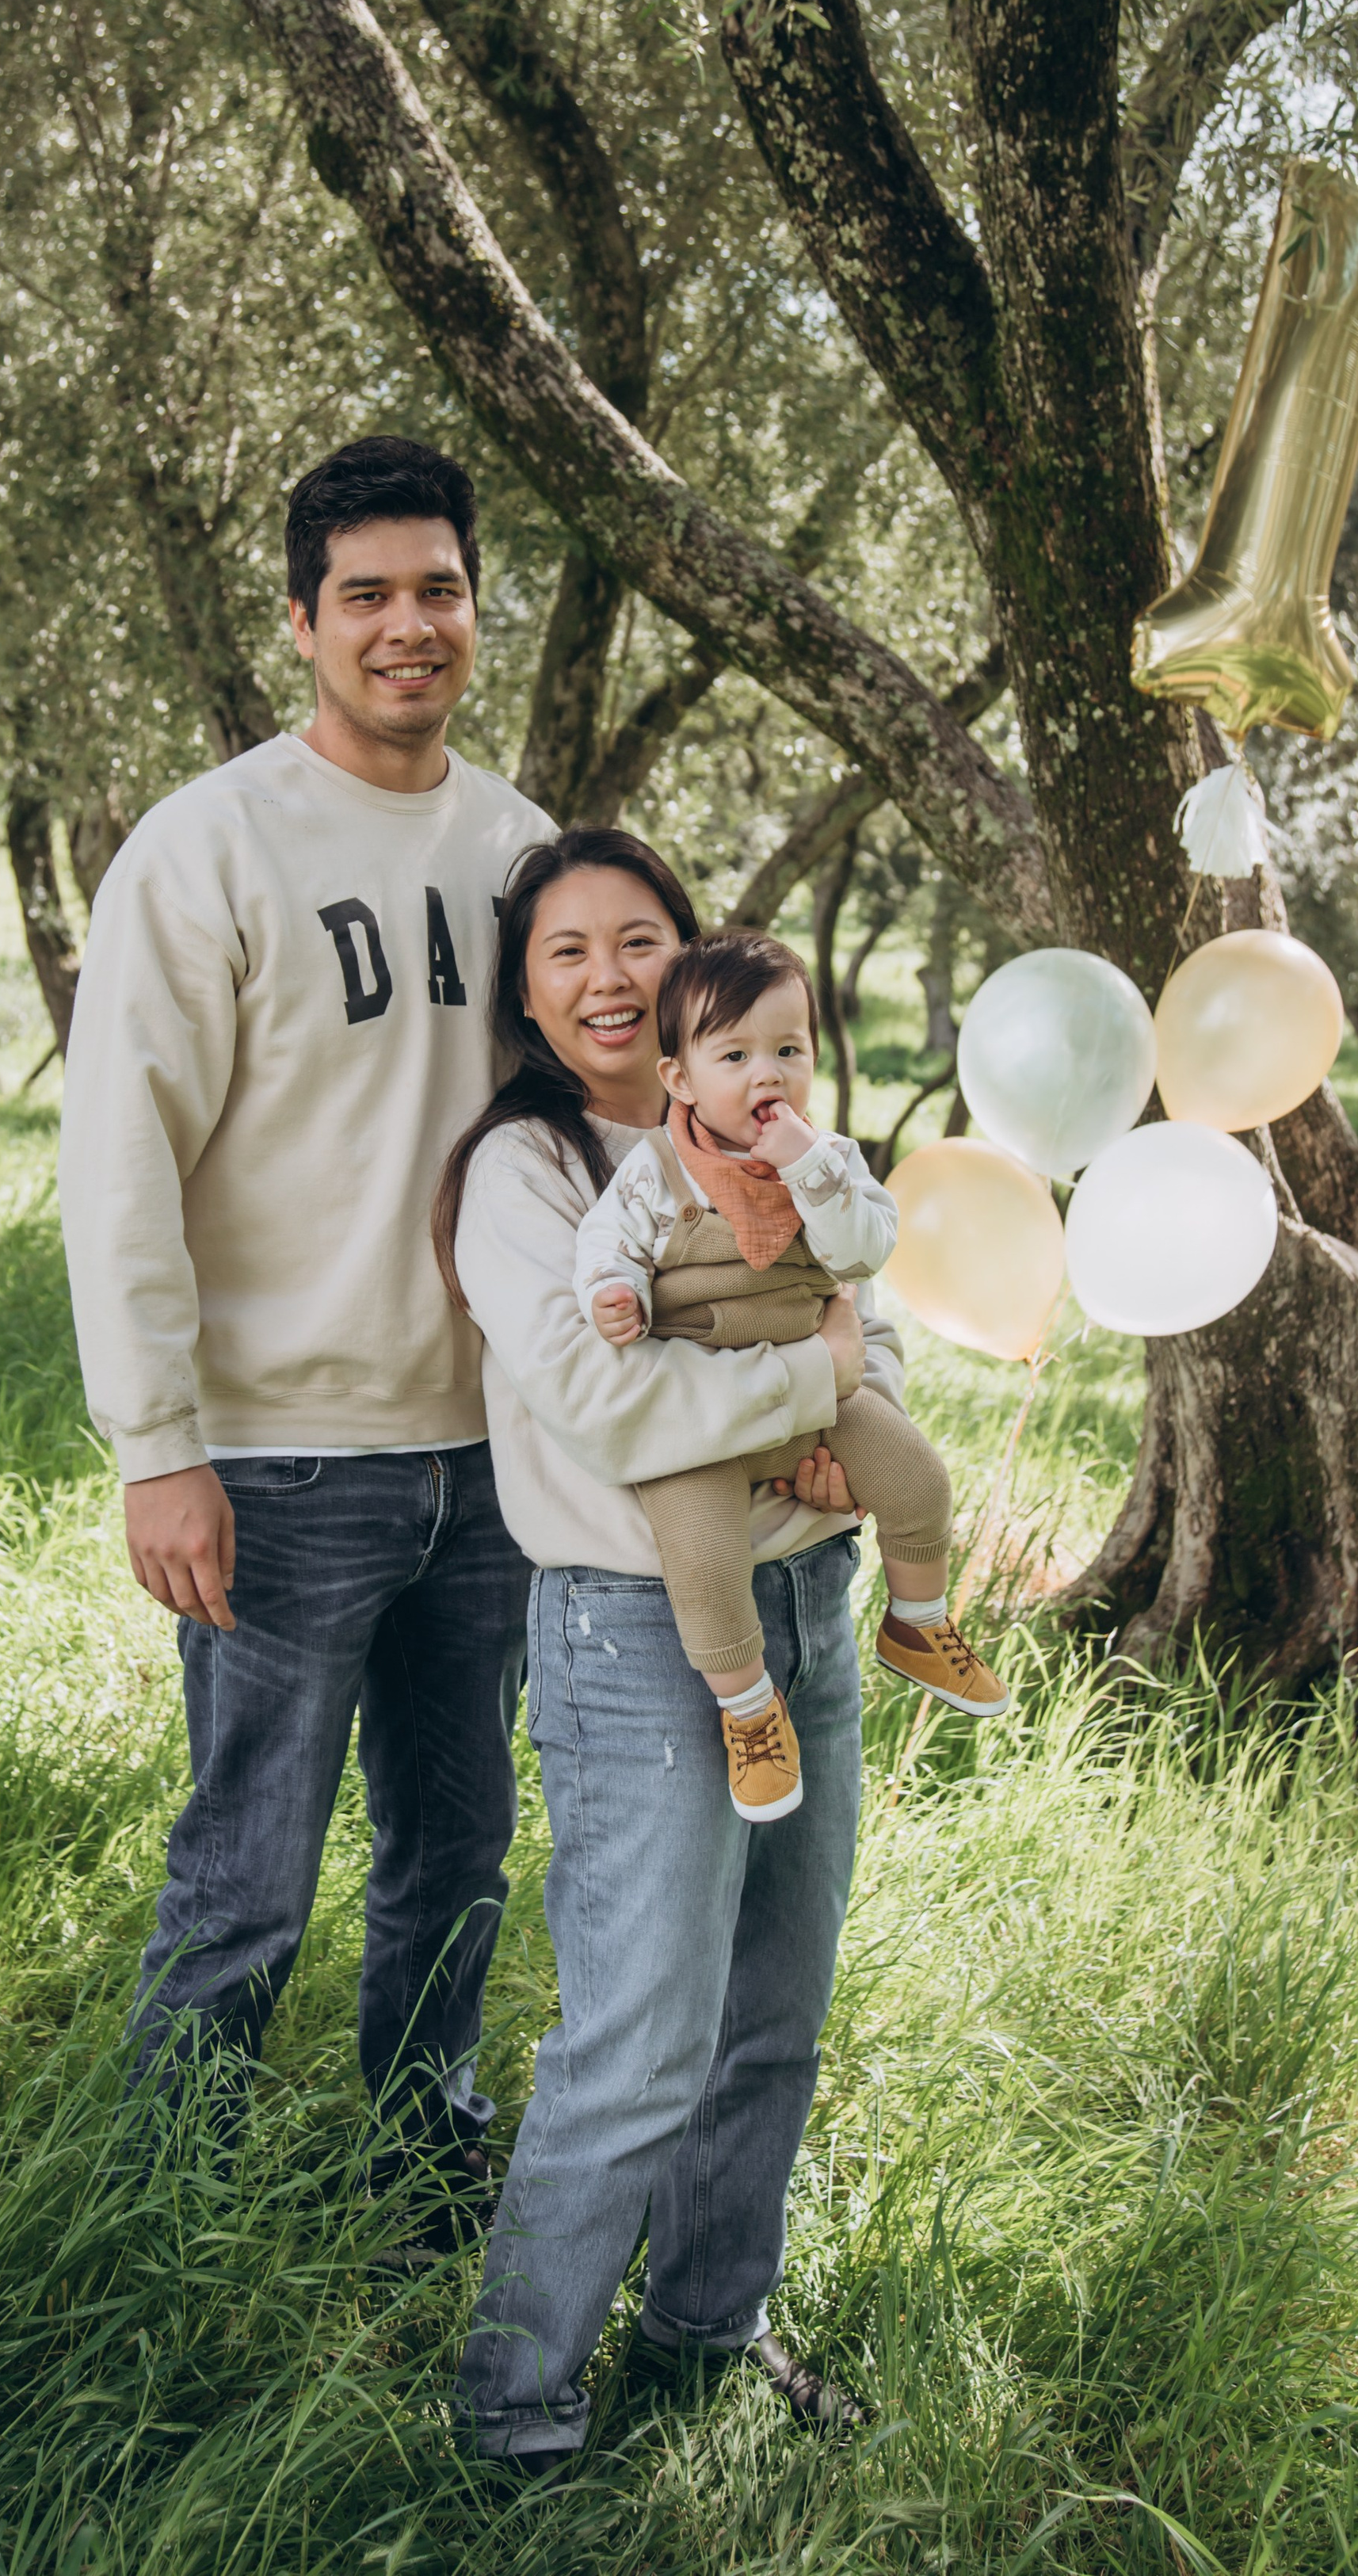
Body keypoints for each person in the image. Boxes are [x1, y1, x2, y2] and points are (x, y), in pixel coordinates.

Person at [57, 435, 553, 2218]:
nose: (406, 626)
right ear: (302, 622)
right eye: (367, 596)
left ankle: (423, 2182)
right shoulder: (206, 849)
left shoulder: (519, 852)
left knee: (458, 1853)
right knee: (246, 1873)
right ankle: (162, 2219)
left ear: (475, 611)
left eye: (437, 590)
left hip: (491, 1463)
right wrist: (156, 1446)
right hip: (274, 1463)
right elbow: (119, 1162)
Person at [429, 828, 906, 2472]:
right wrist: (814, 1385)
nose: (609, 976)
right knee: (635, 2040)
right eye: (566, 953)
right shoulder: (528, 1178)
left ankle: (706, 2331)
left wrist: (867, 1410)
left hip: (805, 1603)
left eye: (638, 941)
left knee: (773, 2009)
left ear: (693, 972)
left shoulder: (771, 1136)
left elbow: (872, 1309)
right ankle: (513, 2403)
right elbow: (611, 1402)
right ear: (528, 996)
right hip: (637, 1630)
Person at [574, 927, 1008, 1821]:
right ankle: (747, 1708)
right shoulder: (654, 1173)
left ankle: (916, 1620)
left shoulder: (830, 1162)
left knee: (918, 1477)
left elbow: (862, 1252)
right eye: (734, 1054)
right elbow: (605, 1244)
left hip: (819, 1393)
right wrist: (615, 1290)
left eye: (787, 1050)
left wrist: (807, 1169)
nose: (766, 1074)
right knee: (700, 1556)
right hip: (699, 1411)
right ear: (680, 1080)